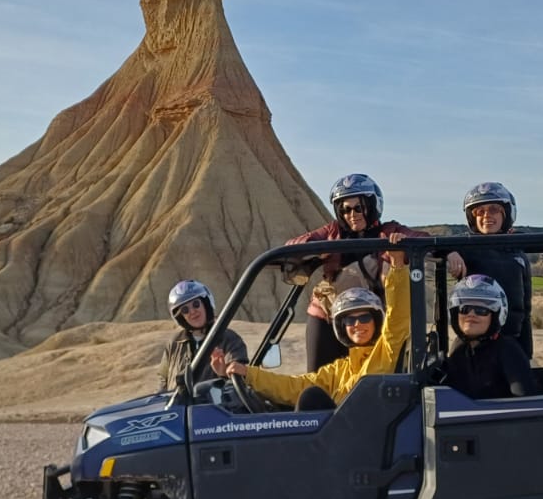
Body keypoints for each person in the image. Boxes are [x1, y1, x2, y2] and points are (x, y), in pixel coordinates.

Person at [212, 237, 409, 410]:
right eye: (350, 319)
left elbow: (398, 316)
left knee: (311, 399)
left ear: (376, 322)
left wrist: (397, 264)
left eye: (364, 318)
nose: (357, 324)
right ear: (342, 327)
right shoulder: (340, 370)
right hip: (344, 435)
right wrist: (250, 375)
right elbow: (295, 387)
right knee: (305, 396)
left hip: (361, 436)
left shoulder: (386, 351)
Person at [286, 174, 436, 372]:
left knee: (375, 378)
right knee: (319, 377)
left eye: (359, 208)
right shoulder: (333, 232)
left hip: (372, 319)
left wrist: (404, 244)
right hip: (329, 315)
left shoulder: (389, 231)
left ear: (372, 206)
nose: (352, 215)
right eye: (345, 210)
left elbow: (422, 240)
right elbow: (292, 245)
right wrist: (316, 248)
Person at [454, 182, 533, 358]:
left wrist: (526, 351)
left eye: (494, 210)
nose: (486, 216)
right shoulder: (465, 246)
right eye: (479, 212)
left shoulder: (518, 251)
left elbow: (526, 309)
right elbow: (431, 247)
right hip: (472, 339)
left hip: (510, 339)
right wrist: (449, 252)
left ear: (506, 214)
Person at [441, 274, 539, 400]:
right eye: (464, 308)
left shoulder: (508, 350)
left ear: (495, 315)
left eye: (481, 310)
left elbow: (527, 404)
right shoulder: (459, 347)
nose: (471, 314)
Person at [158, 280, 247, 393]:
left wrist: (224, 373)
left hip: (213, 408)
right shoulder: (175, 343)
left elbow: (240, 378)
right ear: (180, 316)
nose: (192, 311)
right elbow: (163, 381)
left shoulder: (229, 339)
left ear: (206, 304)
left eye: (196, 304)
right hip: (179, 407)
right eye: (185, 310)